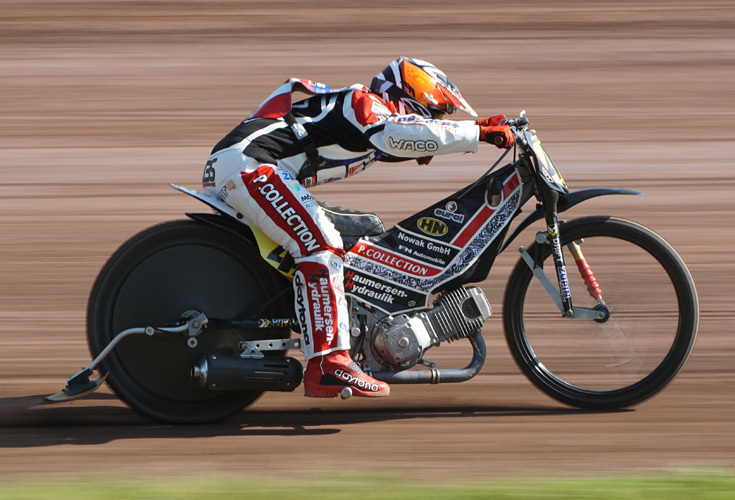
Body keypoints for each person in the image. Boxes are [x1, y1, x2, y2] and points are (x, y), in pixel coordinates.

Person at [201, 57, 514, 398]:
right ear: (412, 98)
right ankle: (328, 363)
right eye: (435, 114)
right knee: (321, 244)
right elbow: (394, 134)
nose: (436, 123)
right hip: (249, 167)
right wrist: (477, 133)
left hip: (245, 167)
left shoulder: (362, 120)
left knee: (340, 237)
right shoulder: (364, 101)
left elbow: (397, 141)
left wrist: (459, 135)